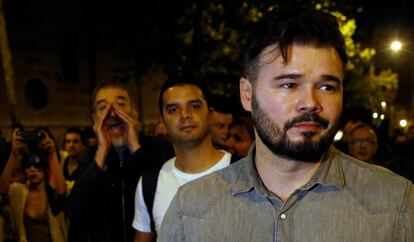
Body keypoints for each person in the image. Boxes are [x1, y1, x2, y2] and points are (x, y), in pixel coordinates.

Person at [159, 7, 414, 241]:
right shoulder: (190, 211)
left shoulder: (395, 203)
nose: (310, 103)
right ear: (247, 94)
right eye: (289, 85)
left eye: (327, 86)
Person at [66, 81, 173, 242]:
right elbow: (74, 211)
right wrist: (101, 154)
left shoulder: (160, 148)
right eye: (103, 108)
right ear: (95, 120)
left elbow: (164, 203)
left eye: (120, 105)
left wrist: (135, 148)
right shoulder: (89, 158)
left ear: (134, 113)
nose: (113, 113)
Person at [133, 79, 233, 242]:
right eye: (173, 109)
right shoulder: (150, 183)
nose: (185, 115)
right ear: (163, 122)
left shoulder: (246, 172)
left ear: (210, 114)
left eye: (194, 106)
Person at [0, 128, 67, 242]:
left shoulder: (51, 191)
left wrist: (52, 153)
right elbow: (2, 190)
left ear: (44, 168)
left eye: (37, 166)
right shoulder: (20, 192)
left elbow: (61, 192)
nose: (32, 170)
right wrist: (14, 154)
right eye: (28, 166)